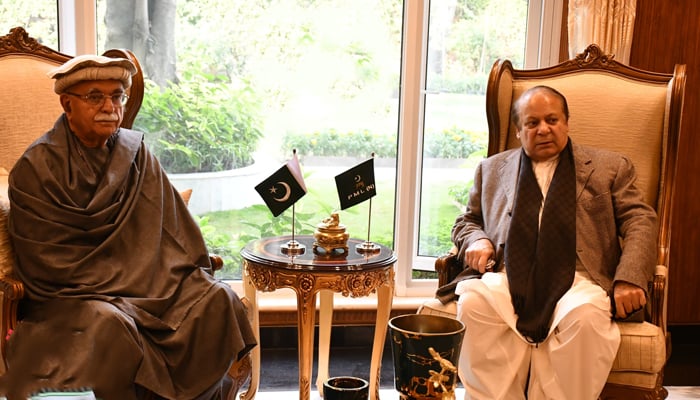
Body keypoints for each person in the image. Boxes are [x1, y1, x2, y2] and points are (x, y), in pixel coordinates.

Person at [0, 55, 256, 399]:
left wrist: (156, 280)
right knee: (111, 323)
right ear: (67, 104)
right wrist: (124, 285)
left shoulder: (137, 154)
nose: (109, 106)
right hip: (72, 298)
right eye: (95, 97)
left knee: (217, 298)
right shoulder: (34, 168)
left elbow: (174, 234)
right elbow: (47, 264)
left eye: (117, 96)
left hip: (148, 283)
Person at [445, 85, 657, 400]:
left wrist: (629, 277)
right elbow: (467, 220)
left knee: (585, 320)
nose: (543, 129)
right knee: (474, 304)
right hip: (510, 275)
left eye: (552, 120)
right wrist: (477, 239)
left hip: (579, 278)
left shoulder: (610, 167)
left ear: (567, 123)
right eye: (532, 123)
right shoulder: (491, 169)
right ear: (518, 131)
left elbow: (641, 220)